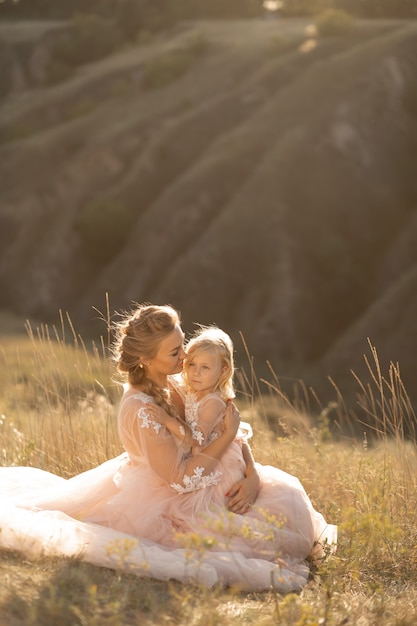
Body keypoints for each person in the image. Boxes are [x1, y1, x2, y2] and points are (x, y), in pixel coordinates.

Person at [0, 304, 336, 592]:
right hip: (166, 497)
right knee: (254, 541)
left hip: (209, 475)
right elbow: (180, 479)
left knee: (286, 500)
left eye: (183, 345)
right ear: (147, 359)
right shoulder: (140, 408)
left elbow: (228, 429)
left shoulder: (178, 381)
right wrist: (224, 438)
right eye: (176, 352)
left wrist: (251, 475)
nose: (186, 356)